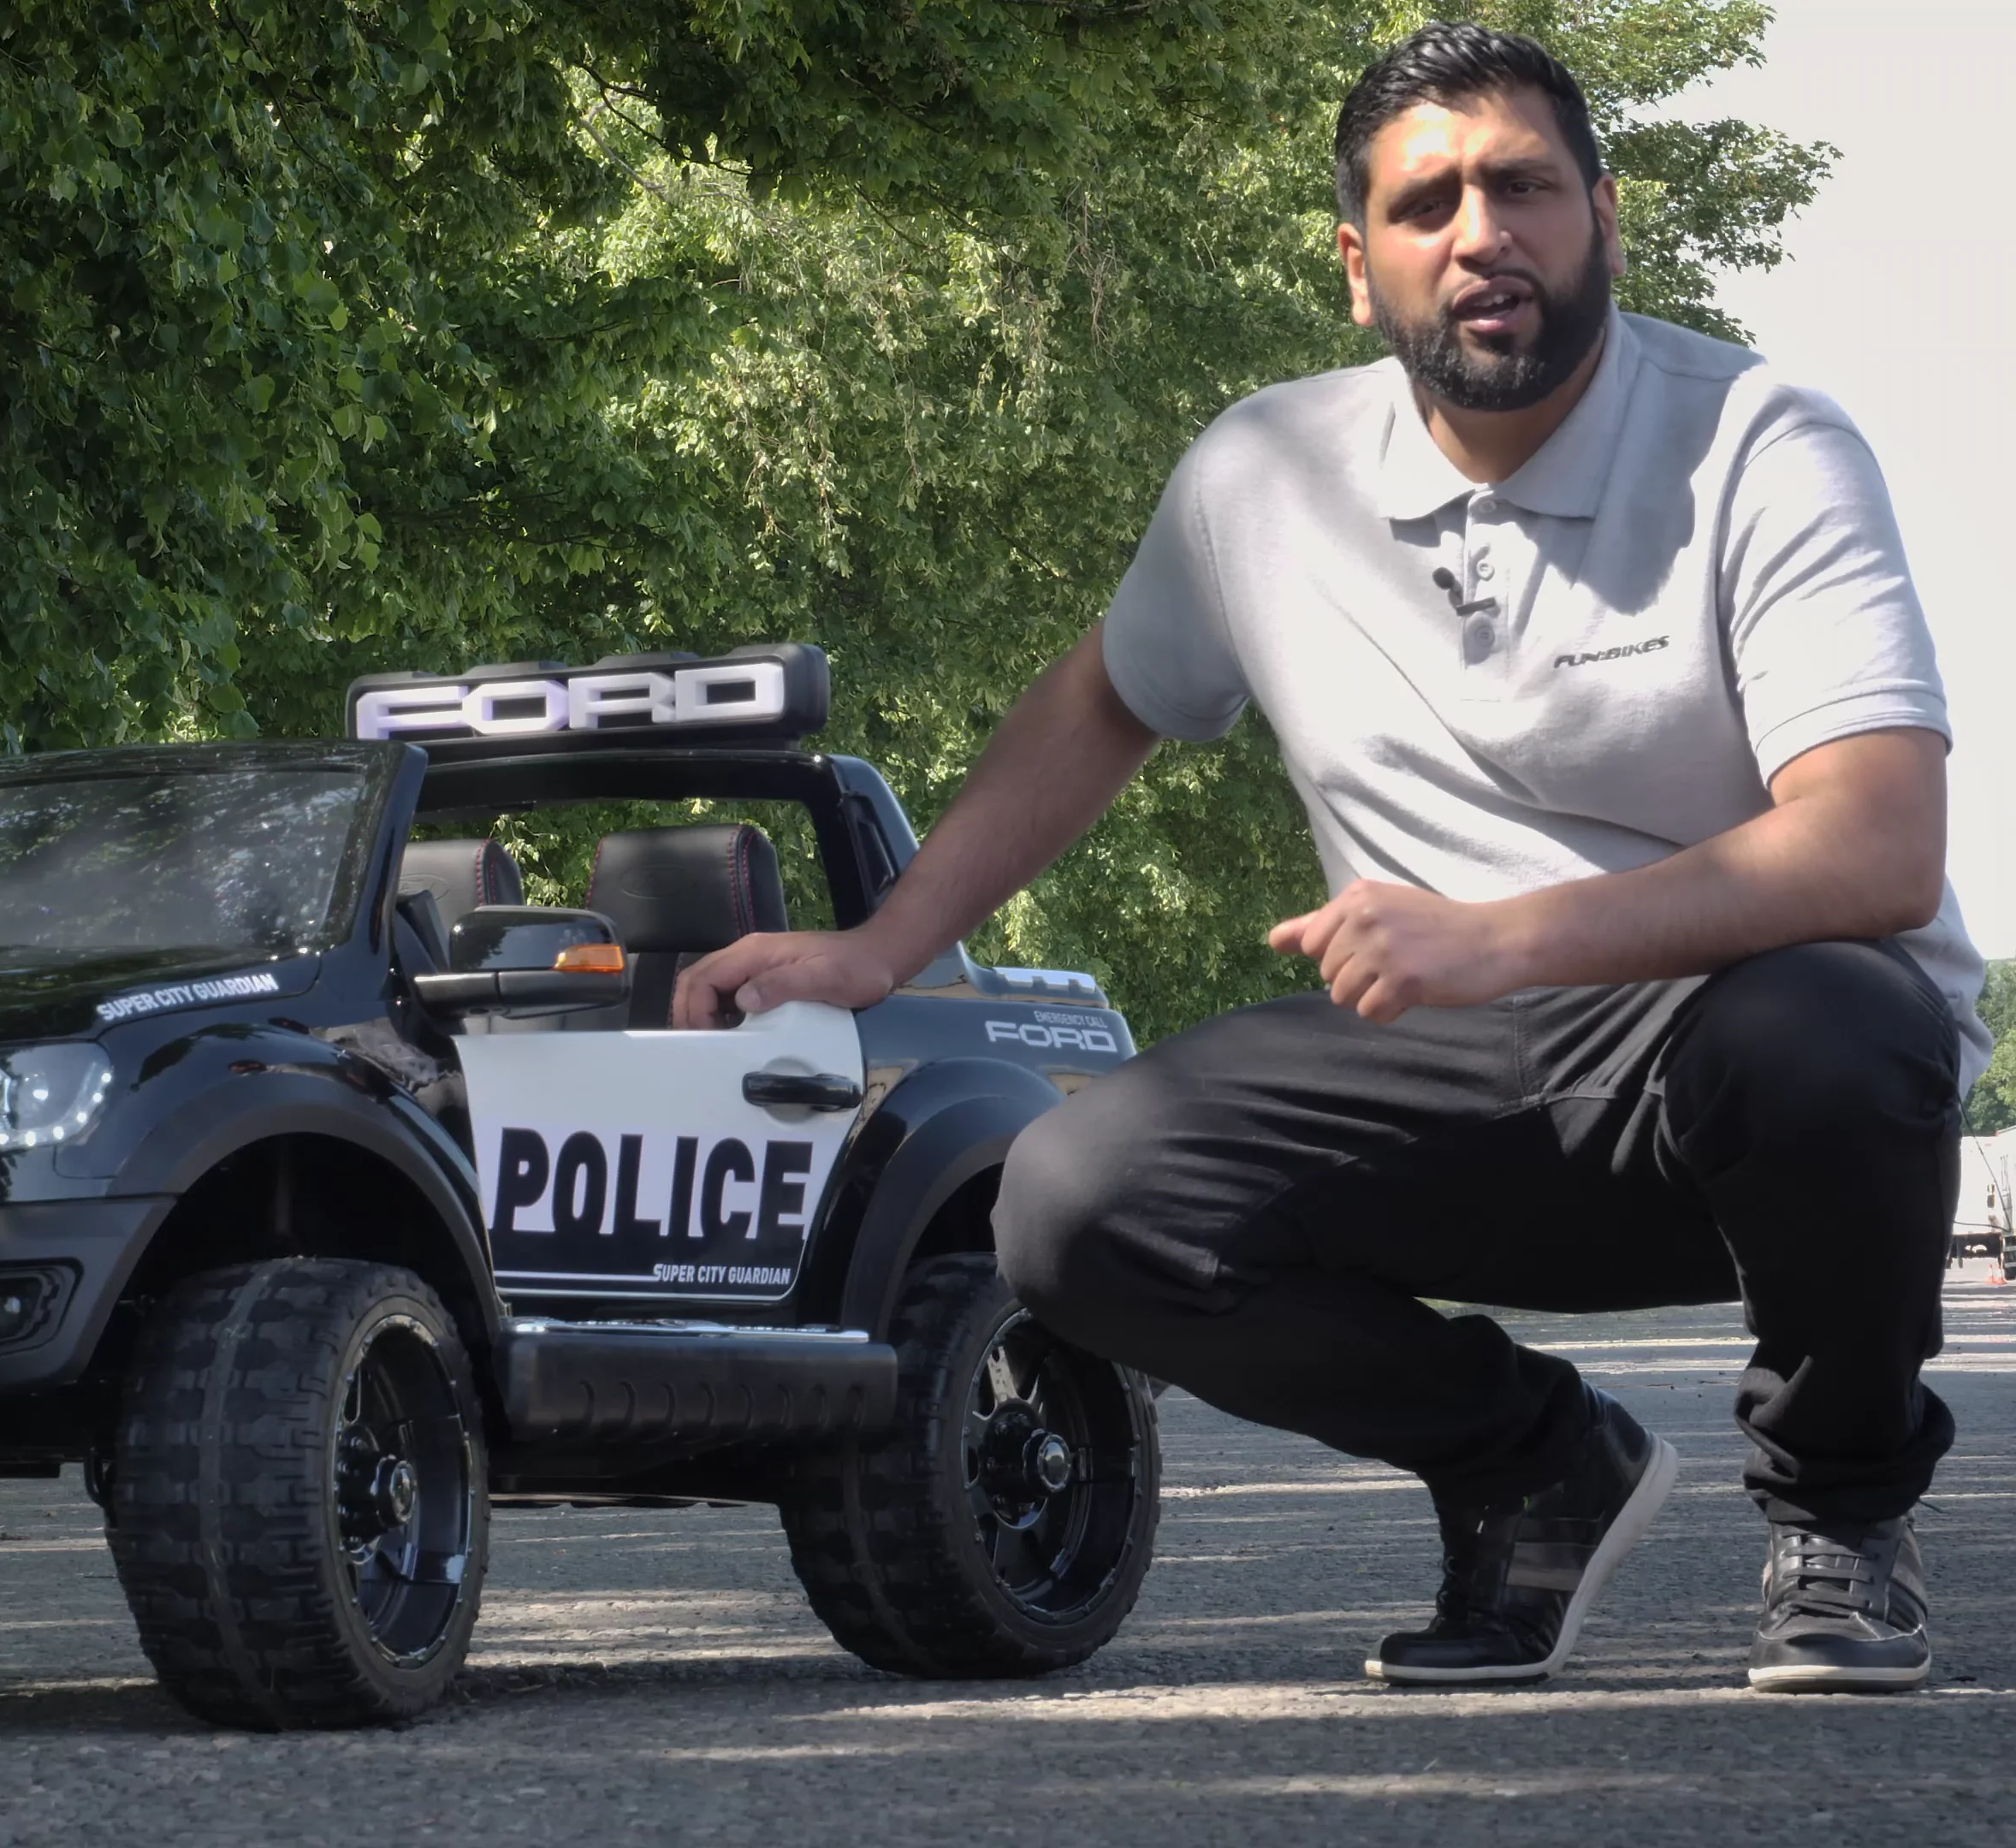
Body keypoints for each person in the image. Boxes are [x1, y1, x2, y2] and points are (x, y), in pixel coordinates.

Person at [676, 22, 1986, 1692]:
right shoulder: (1267, 472)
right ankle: (1529, 1464)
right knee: (1074, 1205)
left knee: (1840, 1023)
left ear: (1602, 213)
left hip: (1741, 1083)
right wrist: (877, 950)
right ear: (1359, 268)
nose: (1480, 231)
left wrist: (1502, 936)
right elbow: (1100, 701)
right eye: (1427, 201)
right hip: (1448, 1076)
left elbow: (1877, 845)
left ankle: (1841, 1523)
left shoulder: (1760, 444)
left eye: (1522, 186)